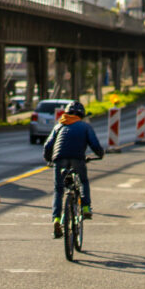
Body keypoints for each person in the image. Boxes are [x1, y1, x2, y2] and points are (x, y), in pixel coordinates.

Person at [43, 101, 104, 239]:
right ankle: (86, 208)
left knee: (59, 190)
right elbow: (94, 144)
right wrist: (100, 154)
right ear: (81, 115)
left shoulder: (59, 126)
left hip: (59, 158)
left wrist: (49, 159)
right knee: (83, 181)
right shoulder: (85, 126)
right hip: (78, 158)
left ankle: (57, 220)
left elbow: (48, 146)